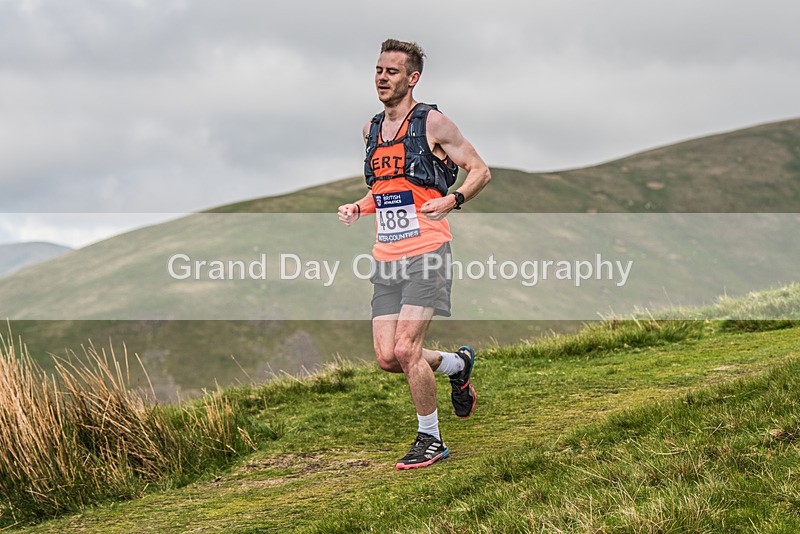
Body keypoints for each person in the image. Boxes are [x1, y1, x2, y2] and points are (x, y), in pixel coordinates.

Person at [338, 38, 491, 470]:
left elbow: (480, 169)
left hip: (428, 251)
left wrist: (454, 199)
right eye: (378, 70)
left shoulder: (433, 123)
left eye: (392, 71)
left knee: (407, 348)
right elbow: (385, 190)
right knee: (389, 358)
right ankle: (458, 365)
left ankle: (431, 440)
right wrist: (359, 206)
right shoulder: (370, 129)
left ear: (413, 78)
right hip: (387, 257)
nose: (382, 77)